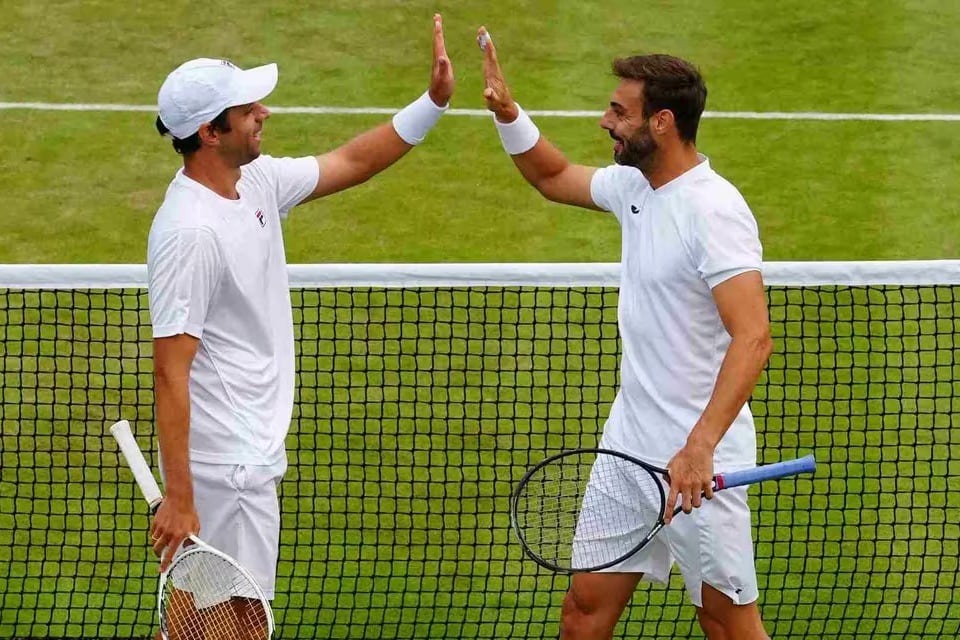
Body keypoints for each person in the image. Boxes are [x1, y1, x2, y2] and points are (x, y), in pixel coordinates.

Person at [145, 14, 454, 639]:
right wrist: (181, 498)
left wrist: (433, 103)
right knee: (240, 629)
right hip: (228, 468)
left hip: (239, 457)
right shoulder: (190, 233)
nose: (263, 112)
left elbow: (349, 161)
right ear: (210, 131)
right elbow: (169, 370)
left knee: (191, 628)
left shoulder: (251, 179)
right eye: (246, 107)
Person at [477, 27, 775, 640]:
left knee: (727, 625)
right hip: (626, 451)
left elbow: (753, 338)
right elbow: (553, 176)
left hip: (699, 466)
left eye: (619, 111)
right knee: (583, 615)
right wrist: (510, 114)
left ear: (662, 122)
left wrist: (699, 447)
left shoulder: (714, 211)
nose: (605, 120)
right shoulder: (636, 186)